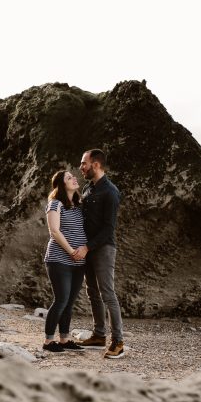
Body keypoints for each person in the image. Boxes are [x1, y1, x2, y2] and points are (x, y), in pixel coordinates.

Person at [75, 148, 125, 358]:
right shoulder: (89, 188)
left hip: (103, 248)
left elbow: (108, 228)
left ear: (95, 164)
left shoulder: (110, 192)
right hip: (87, 247)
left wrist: (87, 247)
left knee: (107, 293)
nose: (81, 167)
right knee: (92, 292)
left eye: (84, 163)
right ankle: (99, 335)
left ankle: (118, 342)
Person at [42, 169, 87, 352]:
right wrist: (71, 251)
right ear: (61, 184)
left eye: (73, 176)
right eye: (69, 178)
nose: (74, 178)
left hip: (79, 261)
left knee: (69, 302)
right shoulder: (55, 204)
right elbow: (54, 231)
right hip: (59, 258)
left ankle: (64, 339)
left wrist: (82, 252)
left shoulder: (78, 206)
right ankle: (48, 342)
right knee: (61, 300)